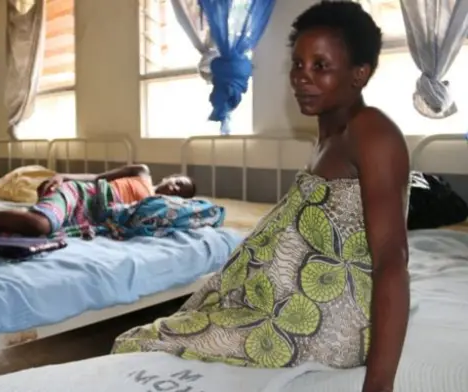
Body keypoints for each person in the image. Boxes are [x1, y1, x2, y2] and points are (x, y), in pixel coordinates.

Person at [112, 2, 410, 392]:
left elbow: (392, 259)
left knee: (136, 343)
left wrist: (380, 385)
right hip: (294, 302)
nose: (302, 78)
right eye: (298, 64)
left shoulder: (372, 132)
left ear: (360, 74)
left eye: (320, 66)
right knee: (161, 330)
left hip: (324, 322)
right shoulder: (328, 138)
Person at [0, 164, 196, 242]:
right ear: (170, 177)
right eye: (178, 181)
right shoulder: (142, 173)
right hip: (81, 194)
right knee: (39, 225)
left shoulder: (158, 210)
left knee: (20, 235)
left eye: (182, 192)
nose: (175, 188)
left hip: (87, 219)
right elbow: (96, 176)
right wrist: (63, 176)